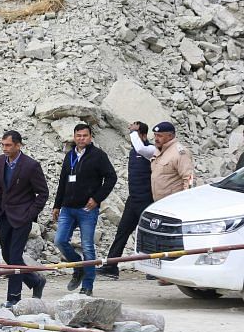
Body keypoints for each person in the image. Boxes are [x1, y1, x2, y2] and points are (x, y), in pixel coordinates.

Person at [52, 123, 116, 297]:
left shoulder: (98, 156)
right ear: (74, 137)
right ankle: (78, 267)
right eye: (78, 135)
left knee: (87, 247)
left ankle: (87, 285)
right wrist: (57, 205)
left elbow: (111, 177)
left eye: (85, 135)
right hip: (67, 207)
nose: (81, 138)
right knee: (60, 240)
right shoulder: (70, 155)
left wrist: (97, 198)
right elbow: (63, 181)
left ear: (90, 137)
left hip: (87, 209)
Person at [0, 131, 49, 308]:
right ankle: (34, 280)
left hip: (22, 217)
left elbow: (43, 193)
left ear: (18, 145)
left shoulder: (31, 165)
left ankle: (14, 297)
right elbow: (0, 187)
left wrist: (30, 213)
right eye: (3, 145)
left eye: (8, 145)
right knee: (9, 255)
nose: (5, 149)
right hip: (4, 215)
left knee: (15, 255)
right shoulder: (0, 161)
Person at [98, 122, 155, 279]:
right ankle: (111, 266)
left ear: (143, 135)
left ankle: (152, 270)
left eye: (136, 134)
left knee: (148, 236)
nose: (133, 137)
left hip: (147, 199)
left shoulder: (150, 150)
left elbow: (141, 148)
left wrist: (133, 132)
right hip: (133, 199)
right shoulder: (133, 152)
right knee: (121, 233)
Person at [150, 121, 194, 201]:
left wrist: (187, 199)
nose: (156, 139)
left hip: (174, 203)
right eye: (155, 135)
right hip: (158, 202)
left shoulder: (180, 153)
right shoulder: (158, 150)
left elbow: (189, 178)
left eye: (159, 136)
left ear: (170, 136)